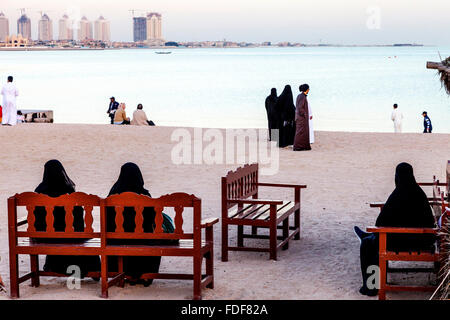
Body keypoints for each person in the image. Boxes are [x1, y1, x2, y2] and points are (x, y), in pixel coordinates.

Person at [354, 162, 436, 296]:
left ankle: (372, 286)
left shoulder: (398, 195)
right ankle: (368, 237)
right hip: (423, 240)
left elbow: (380, 222)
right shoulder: (419, 193)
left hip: (404, 242)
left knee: (368, 245)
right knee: (374, 238)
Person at [106, 163, 176, 285]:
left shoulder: (111, 196)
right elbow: (154, 221)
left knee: (112, 240)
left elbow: (107, 223)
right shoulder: (145, 196)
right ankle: (144, 275)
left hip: (116, 242)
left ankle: (120, 273)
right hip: (143, 243)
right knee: (154, 238)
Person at [33, 160, 101, 278]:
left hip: (45, 237)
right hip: (71, 236)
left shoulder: (39, 191)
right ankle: (92, 270)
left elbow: (36, 218)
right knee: (81, 237)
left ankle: (56, 266)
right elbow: (78, 218)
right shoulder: (69, 190)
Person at [293, 84, 312, 151]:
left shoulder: (301, 96)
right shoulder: (302, 97)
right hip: (301, 118)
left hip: (300, 117)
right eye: (308, 89)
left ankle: (303, 146)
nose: (309, 90)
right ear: (306, 89)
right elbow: (300, 108)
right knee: (300, 132)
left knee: (304, 132)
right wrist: (305, 114)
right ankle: (297, 147)